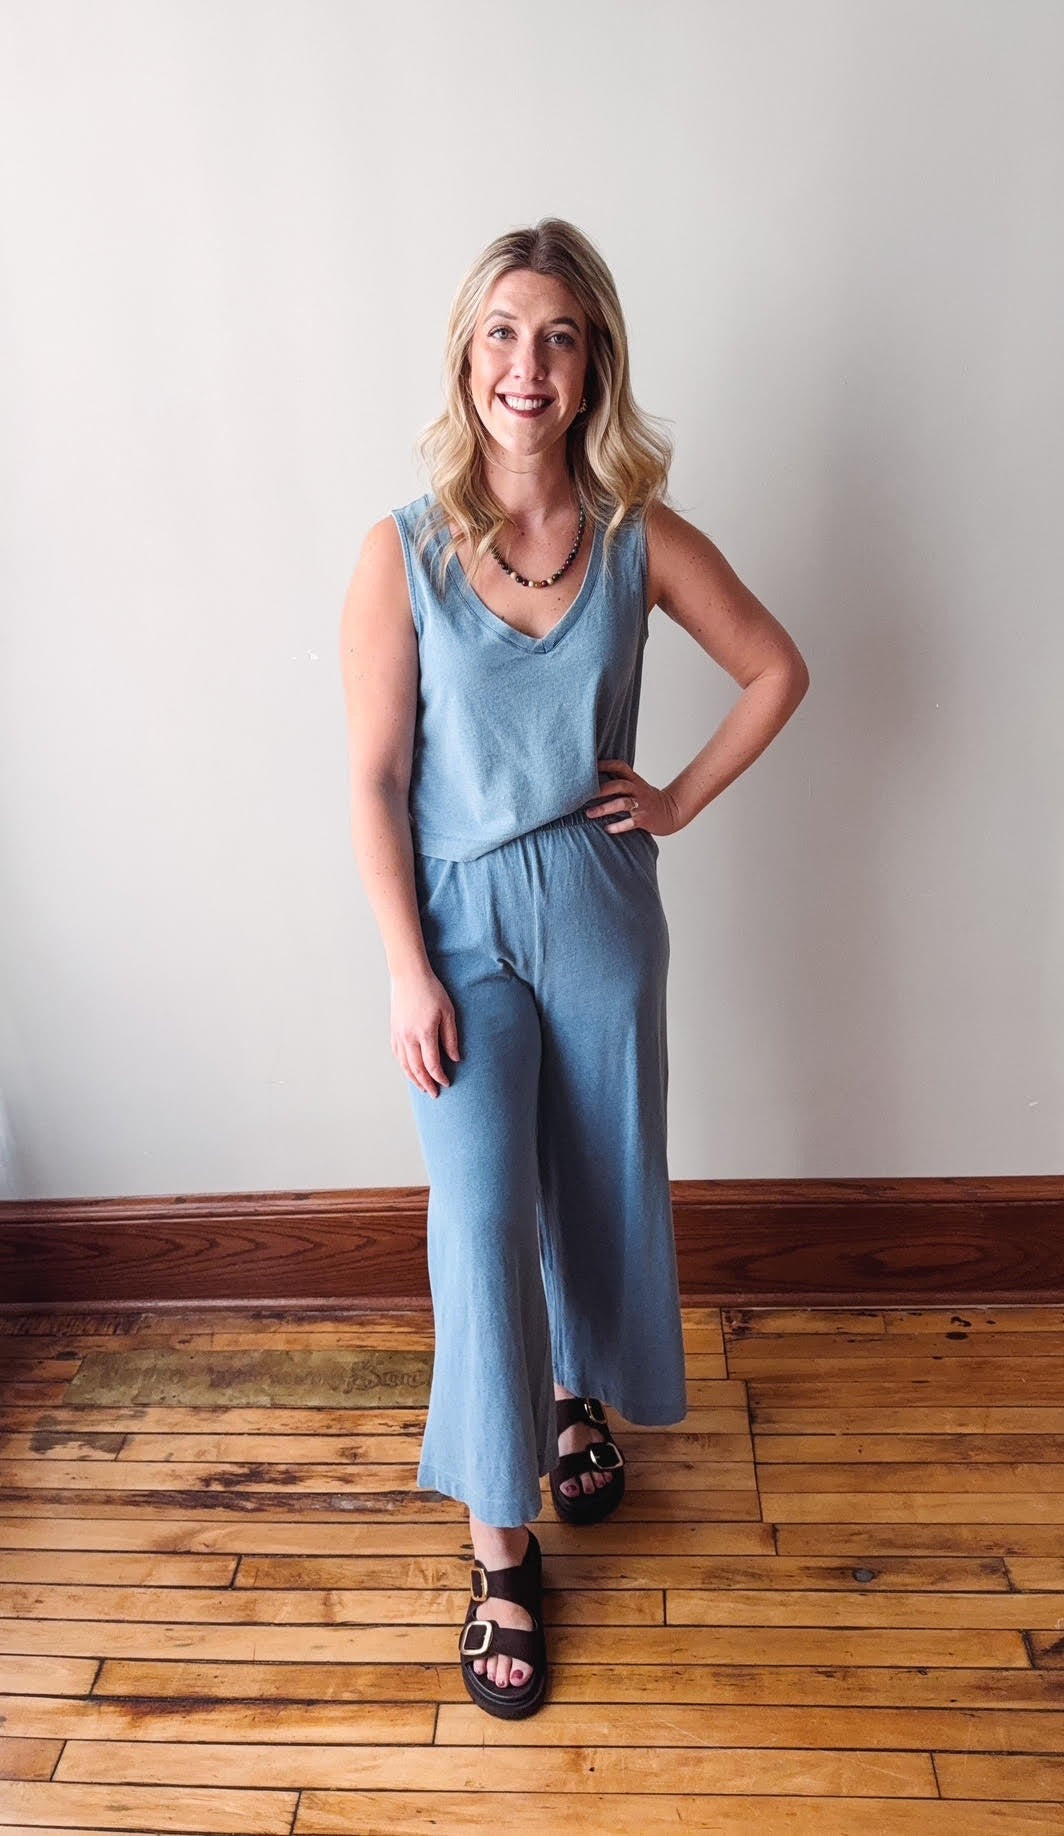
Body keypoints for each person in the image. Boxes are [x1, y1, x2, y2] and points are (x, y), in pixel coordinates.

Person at [339, 217, 810, 1719]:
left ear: (593, 358)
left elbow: (777, 668)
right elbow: (370, 782)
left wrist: (671, 797)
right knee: (480, 1212)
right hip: (462, 926)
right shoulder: (400, 549)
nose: (523, 366)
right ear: (465, 354)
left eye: (554, 336)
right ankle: (497, 1553)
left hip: (602, 907)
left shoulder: (638, 537)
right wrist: (409, 971)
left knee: (599, 1177)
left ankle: (570, 1397)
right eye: (500, 333)